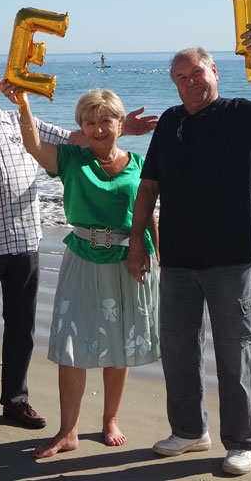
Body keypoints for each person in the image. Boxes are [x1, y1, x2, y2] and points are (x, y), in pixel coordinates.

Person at [0, 57, 157, 433]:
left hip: (23, 240)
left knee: (21, 326)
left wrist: (120, 130)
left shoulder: (15, 120)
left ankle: (16, 401)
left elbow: (70, 138)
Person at [127, 22, 251, 476]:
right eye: (180, 77)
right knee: (179, 350)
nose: (189, 82)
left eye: (196, 73)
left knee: (234, 352)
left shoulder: (238, 113)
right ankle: (189, 431)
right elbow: (149, 187)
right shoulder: (170, 121)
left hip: (232, 260)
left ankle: (241, 442)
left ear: (214, 72)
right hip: (179, 260)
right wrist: (137, 243)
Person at [14, 87, 160, 458]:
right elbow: (32, 145)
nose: (98, 129)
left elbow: (147, 214)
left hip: (129, 260)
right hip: (82, 258)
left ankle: (110, 420)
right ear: (80, 126)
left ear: (119, 123)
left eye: (105, 121)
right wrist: (24, 105)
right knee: (71, 347)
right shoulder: (70, 159)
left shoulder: (139, 163)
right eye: (90, 122)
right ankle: (68, 431)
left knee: (120, 346)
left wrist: (161, 259)